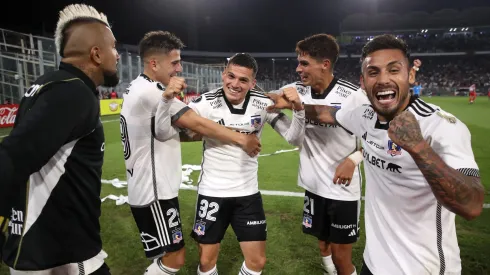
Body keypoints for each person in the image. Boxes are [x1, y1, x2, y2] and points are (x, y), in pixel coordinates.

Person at [268, 34, 485, 275]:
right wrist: (290, 105)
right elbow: (326, 114)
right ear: (363, 81)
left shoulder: (442, 127)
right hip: (373, 265)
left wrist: (419, 148)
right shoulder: (364, 115)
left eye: (393, 70)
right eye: (373, 72)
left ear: (410, 75)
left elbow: (472, 205)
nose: (383, 80)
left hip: (424, 268)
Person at [120, 31, 261, 275]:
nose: (179, 67)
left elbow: (171, 132)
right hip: (153, 189)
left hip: (150, 185)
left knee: (172, 254)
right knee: (175, 258)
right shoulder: (153, 92)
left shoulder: (138, 86)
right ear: (154, 63)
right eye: (174, 62)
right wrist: (242, 138)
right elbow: (196, 123)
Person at [0, 4, 119, 274]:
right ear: (96, 54)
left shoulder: (48, 84)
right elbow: (12, 157)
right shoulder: (74, 93)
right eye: (113, 47)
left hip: (37, 246)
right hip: (63, 254)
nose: (118, 55)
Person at [187, 53, 305, 275]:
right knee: (205, 262)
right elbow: (179, 129)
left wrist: (298, 110)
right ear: (224, 75)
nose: (235, 84)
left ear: (253, 83)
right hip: (212, 192)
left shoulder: (263, 104)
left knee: (257, 261)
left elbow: (294, 138)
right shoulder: (204, 103)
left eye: (243, 80)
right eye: (231, 76)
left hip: (247, 194)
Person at [280, 34, 363, 275]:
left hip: (343, 189)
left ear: (325, 64)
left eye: (304, 63)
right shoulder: (297, 90)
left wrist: (353, 159)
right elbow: (272, 100)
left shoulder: (353, 96)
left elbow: (377, 138)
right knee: (322, 241)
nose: (298, 69)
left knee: (341, 256)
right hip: (314, 185)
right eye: (298, 63)